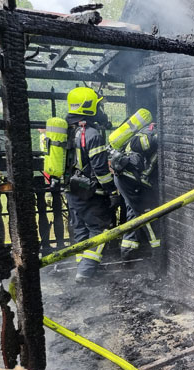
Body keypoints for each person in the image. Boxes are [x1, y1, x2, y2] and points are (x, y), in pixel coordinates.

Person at [64, 86, 120, 283]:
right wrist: (112, 191)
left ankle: (82, 267)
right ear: (89, 108)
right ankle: (86, 273)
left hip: (70, 189)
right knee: (99, 230)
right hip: (90, 193)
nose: (100, 111)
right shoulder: (91, 134)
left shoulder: (66, 129)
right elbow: (101, 170)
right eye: (98, 106)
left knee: (80, 230)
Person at [110, 126, 161, 260]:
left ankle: (128, 252)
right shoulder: (152, 138)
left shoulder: (139, 134)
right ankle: (158, 254)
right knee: (148, 215)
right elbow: (149, 163)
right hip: (131, 180)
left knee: (134, 212)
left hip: (124, 177)